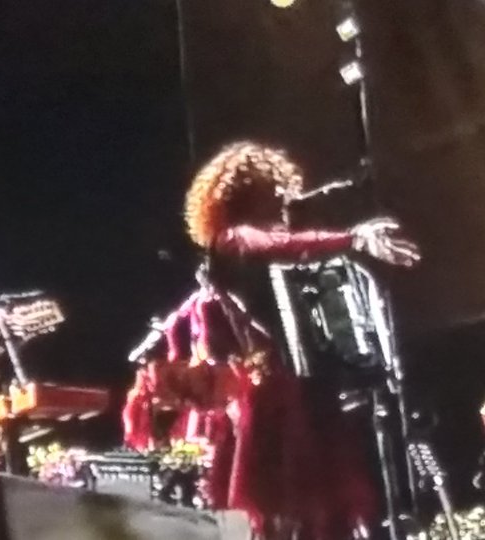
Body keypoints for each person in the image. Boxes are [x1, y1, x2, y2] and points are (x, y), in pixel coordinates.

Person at [123, 141, 419, 539]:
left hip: (305, 396)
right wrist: (352, 238)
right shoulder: (232, 239)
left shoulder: (276, 250)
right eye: (272, 196)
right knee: (282, 511)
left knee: (324, 515)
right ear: (247, 198)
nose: (284, 206)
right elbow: (270, 244)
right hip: (268, 404)